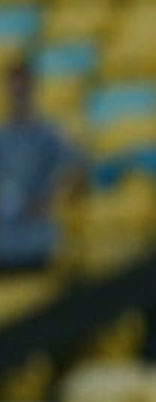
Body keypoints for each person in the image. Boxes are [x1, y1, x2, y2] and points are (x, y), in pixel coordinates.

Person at [0, 61, 83, 270]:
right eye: (14, 90)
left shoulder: (48, 135)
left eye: (22, 90)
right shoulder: (3, 138)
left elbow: (75, 168)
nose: (18, 96)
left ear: (32, 90)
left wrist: (50, 199)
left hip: (38, 235)